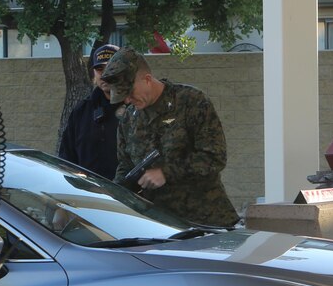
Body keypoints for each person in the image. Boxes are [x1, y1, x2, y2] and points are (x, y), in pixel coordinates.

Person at [100, 46, 239, 227]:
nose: (127, 100)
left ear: (147, 80)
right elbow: (125, 165)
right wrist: (114, 194)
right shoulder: (129, 119)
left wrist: (166, 172)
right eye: (122, 96)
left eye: (130, 93)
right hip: (159, 226)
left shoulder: (191, 102)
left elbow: (214, 157)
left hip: (204, 221)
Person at [57, 43, 120, 179]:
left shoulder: (136, 107)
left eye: (110, 68)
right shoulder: (81, 111)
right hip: (89, 194)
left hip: (128, 194)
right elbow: (66, 157)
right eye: (99, 69)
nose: (105, 75)